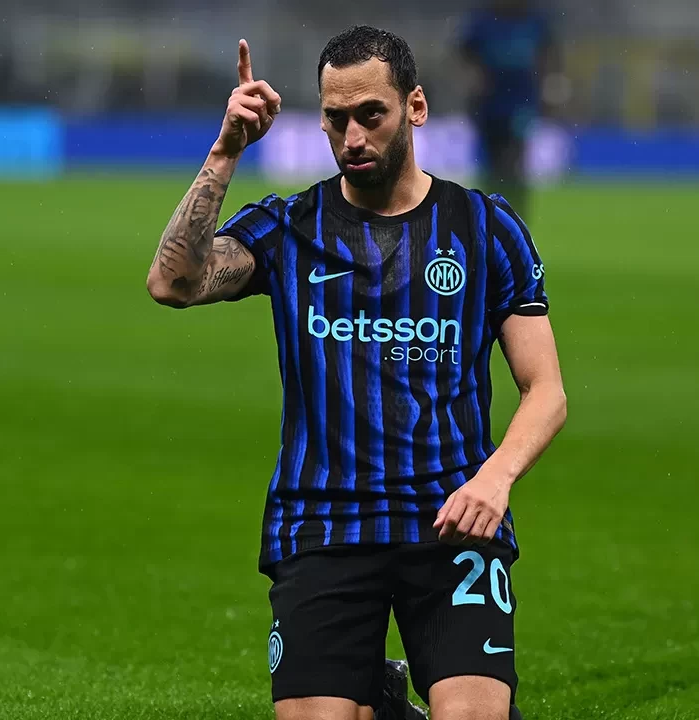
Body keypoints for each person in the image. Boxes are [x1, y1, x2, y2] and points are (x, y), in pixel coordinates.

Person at [145, 26, 566, 720]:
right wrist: (226, 151)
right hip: (323, 524)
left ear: (415, 107)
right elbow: (173, 282)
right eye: (336, 118)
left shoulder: (485, 228)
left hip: (450, 522)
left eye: (371, 114)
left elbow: (545, 390)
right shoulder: (290, 226)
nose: (353, 137)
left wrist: (495, 479)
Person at [459, 0, 556, 223]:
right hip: (488, 104)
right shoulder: (482, 22)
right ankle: (494, 218)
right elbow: (464, 54)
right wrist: (474, 78)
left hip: (521, 103)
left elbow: (548, 55)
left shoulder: (534, 22)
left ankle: (514, 218)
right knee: (492, 166)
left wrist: (547, 86)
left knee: (513, 160)